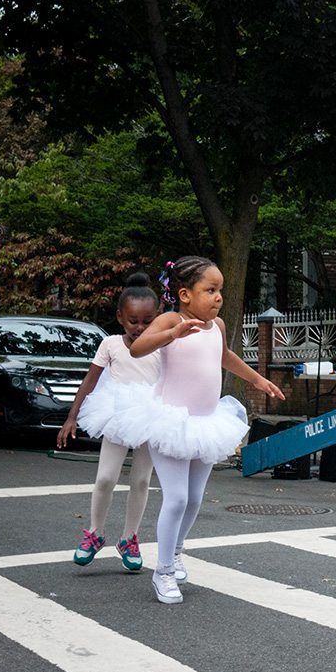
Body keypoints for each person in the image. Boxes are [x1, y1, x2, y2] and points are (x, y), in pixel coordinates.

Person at [107, 256, 284, 604]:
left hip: (207, 423)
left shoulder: (215, 326)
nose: (218, 297)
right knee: (177, 498)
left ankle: (175, 551)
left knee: (196, 499)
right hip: (170, 421)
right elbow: (138, 347)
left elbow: (225, 356)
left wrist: (258, 379)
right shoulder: (171, 319)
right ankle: (163, 573)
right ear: (186, 294)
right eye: (211, 290)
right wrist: (171, 334)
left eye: (221, 290)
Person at [58, 273, 162, 572]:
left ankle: (129, 538)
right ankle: (95, 532)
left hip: (151, 417)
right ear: (120, 317)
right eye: (133, 321)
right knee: (105, 478)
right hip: (116, 415)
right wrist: (72, 416)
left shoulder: (161, 345)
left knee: (141, 480)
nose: (140, 327)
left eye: (147, 320)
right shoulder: (110, 344)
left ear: (156, 319)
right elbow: (89, 382)